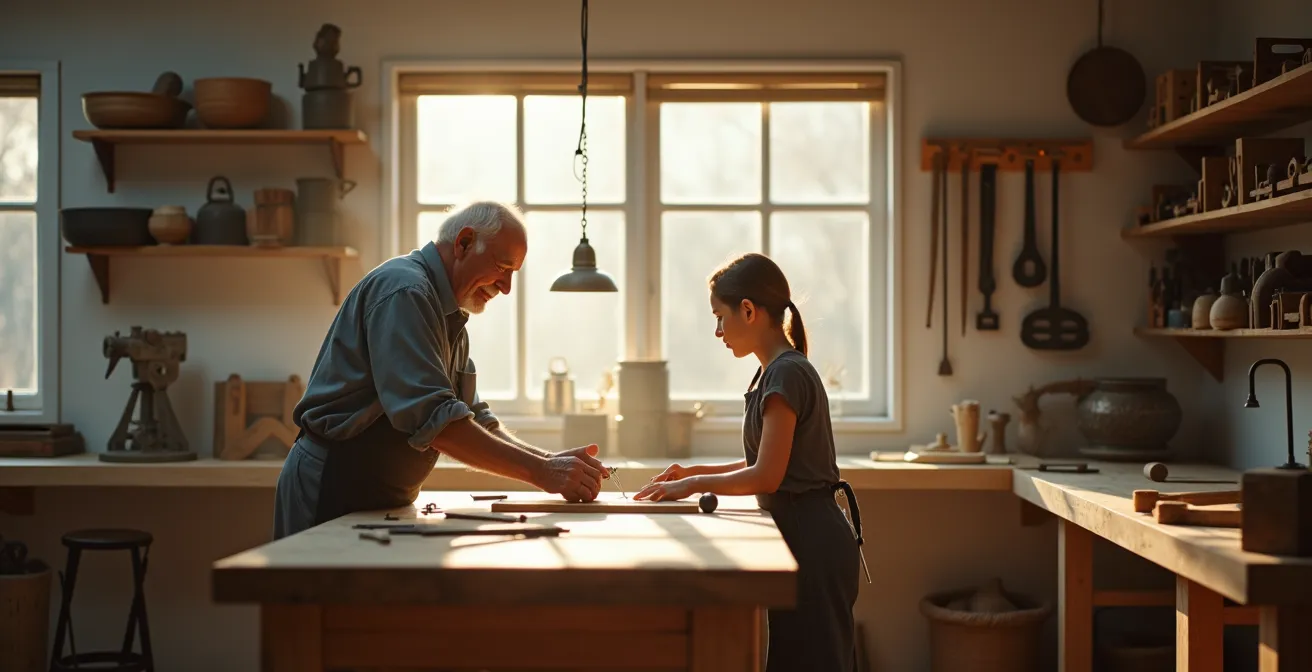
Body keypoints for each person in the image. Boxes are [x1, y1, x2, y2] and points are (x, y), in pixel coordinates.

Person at [273, 201, 607, 540]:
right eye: (502, 267)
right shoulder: (406, 292)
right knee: (313, 589)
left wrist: (550, 460)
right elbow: (436, 421)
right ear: (463, 243)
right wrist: (543, 471)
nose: (506, 287)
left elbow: (474, 417)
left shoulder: (448, 314)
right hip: (331, 484)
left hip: (374, 496)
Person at [634, 252, 864, 672]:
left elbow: (767, 476)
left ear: (748, 310)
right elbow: (758, 462)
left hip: (813, 543)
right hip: (801, 538)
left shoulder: (786, 375)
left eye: (720, 317)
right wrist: (693, 472)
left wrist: (690, 487)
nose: (718, 331)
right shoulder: (772, 373)